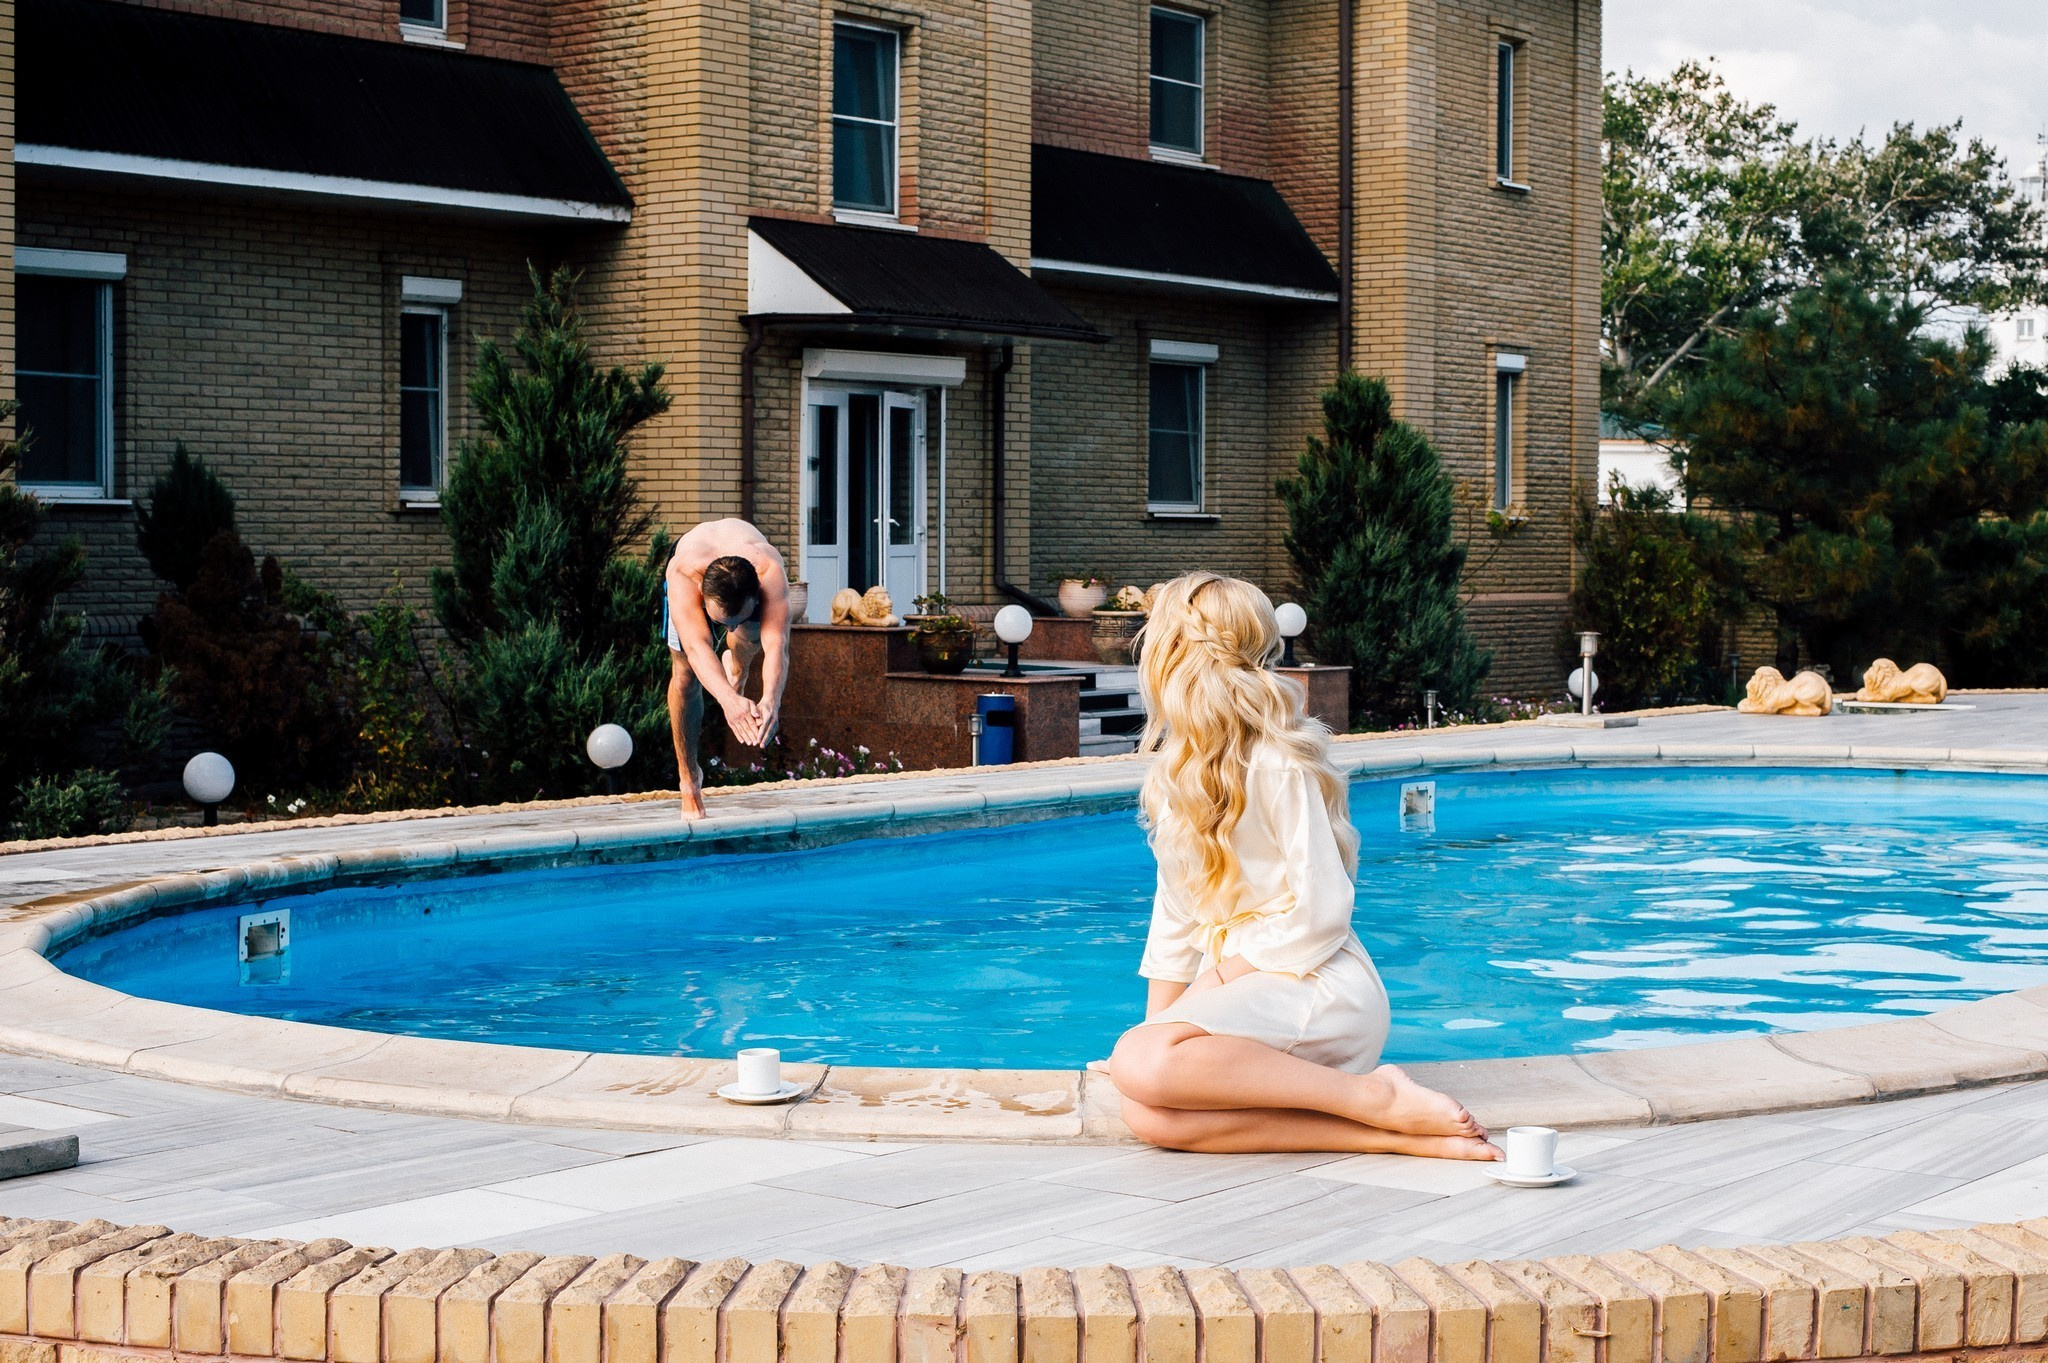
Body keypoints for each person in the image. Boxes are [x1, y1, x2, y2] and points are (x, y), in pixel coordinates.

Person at [1106, 571, 1500, 1160]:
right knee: (1146, 1109)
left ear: (1171, 657)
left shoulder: (1275, 764)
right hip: (1252, 991)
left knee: (1138, 1064)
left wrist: (1212, 984)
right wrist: (1156, 1028)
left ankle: (1376, 1100)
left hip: (1314, 983)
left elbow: (1325, 911)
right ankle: (1381, 1125)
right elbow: (1175, 913)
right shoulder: (1175, 773)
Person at [663, 519, 792, 818]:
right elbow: (697, 649)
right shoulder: (683, 573)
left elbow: (777, 647)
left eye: (735, 619)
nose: (728, 627)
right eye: (723, 623)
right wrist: (729, 701)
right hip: (690, 567)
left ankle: (738, 668)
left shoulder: (769, 571)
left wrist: (772, 699)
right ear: (701, 593)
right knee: (684, 677)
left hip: (748, 565)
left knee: (751, 634)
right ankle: (689, 780)